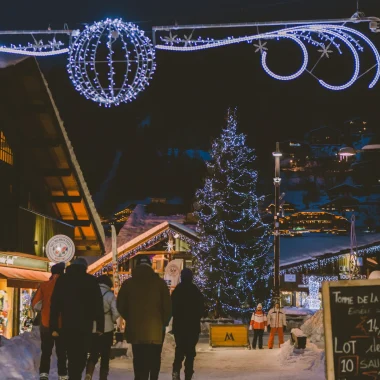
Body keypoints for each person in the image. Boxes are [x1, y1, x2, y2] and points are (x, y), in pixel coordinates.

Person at [117, 255, 172, 380]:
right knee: (154, 359)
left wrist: (130, 318)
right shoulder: (160, 283)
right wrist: (163, 323)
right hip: (155, 331)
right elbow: (168, 307)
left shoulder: (128, 284)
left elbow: (120, 305)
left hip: (136, 331)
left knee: (139, 360)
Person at [50, 258, 104, 380]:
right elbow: (98, 305)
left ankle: (73, 374)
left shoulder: (63, 280)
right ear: (85, 268)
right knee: (81, 355)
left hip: (67, 324)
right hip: (85, 325)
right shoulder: (91, 280)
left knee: (70, 353)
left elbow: (54, 304)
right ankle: (76, 375)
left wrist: (54, 326)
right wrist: (100, 326)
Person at [32, 262, 67, 380]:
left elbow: (35, 304)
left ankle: (43, 374)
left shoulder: (44, 285)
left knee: (46, 350)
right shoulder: (66, 285)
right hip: (63, 323)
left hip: (46, 322)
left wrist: (43, 308)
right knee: (61, 351)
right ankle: (62, 374)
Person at [85, 275, 120, 380]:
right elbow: (116, 312)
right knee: (105, 354)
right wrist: (112, 319)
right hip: (107, 328)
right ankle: (103, 377)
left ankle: (88, 374)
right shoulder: (110, 295)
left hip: (93, 327)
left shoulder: (91, 294)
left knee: (93, 353)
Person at [171, 268, 204, 380]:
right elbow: (201, 309)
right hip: (192, 327)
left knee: (179, 349)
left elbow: (172, 308)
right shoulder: (195, 291)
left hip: (179, 327)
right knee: (190, 352)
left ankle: (176, 370)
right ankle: (188, 374)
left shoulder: (177, 290)